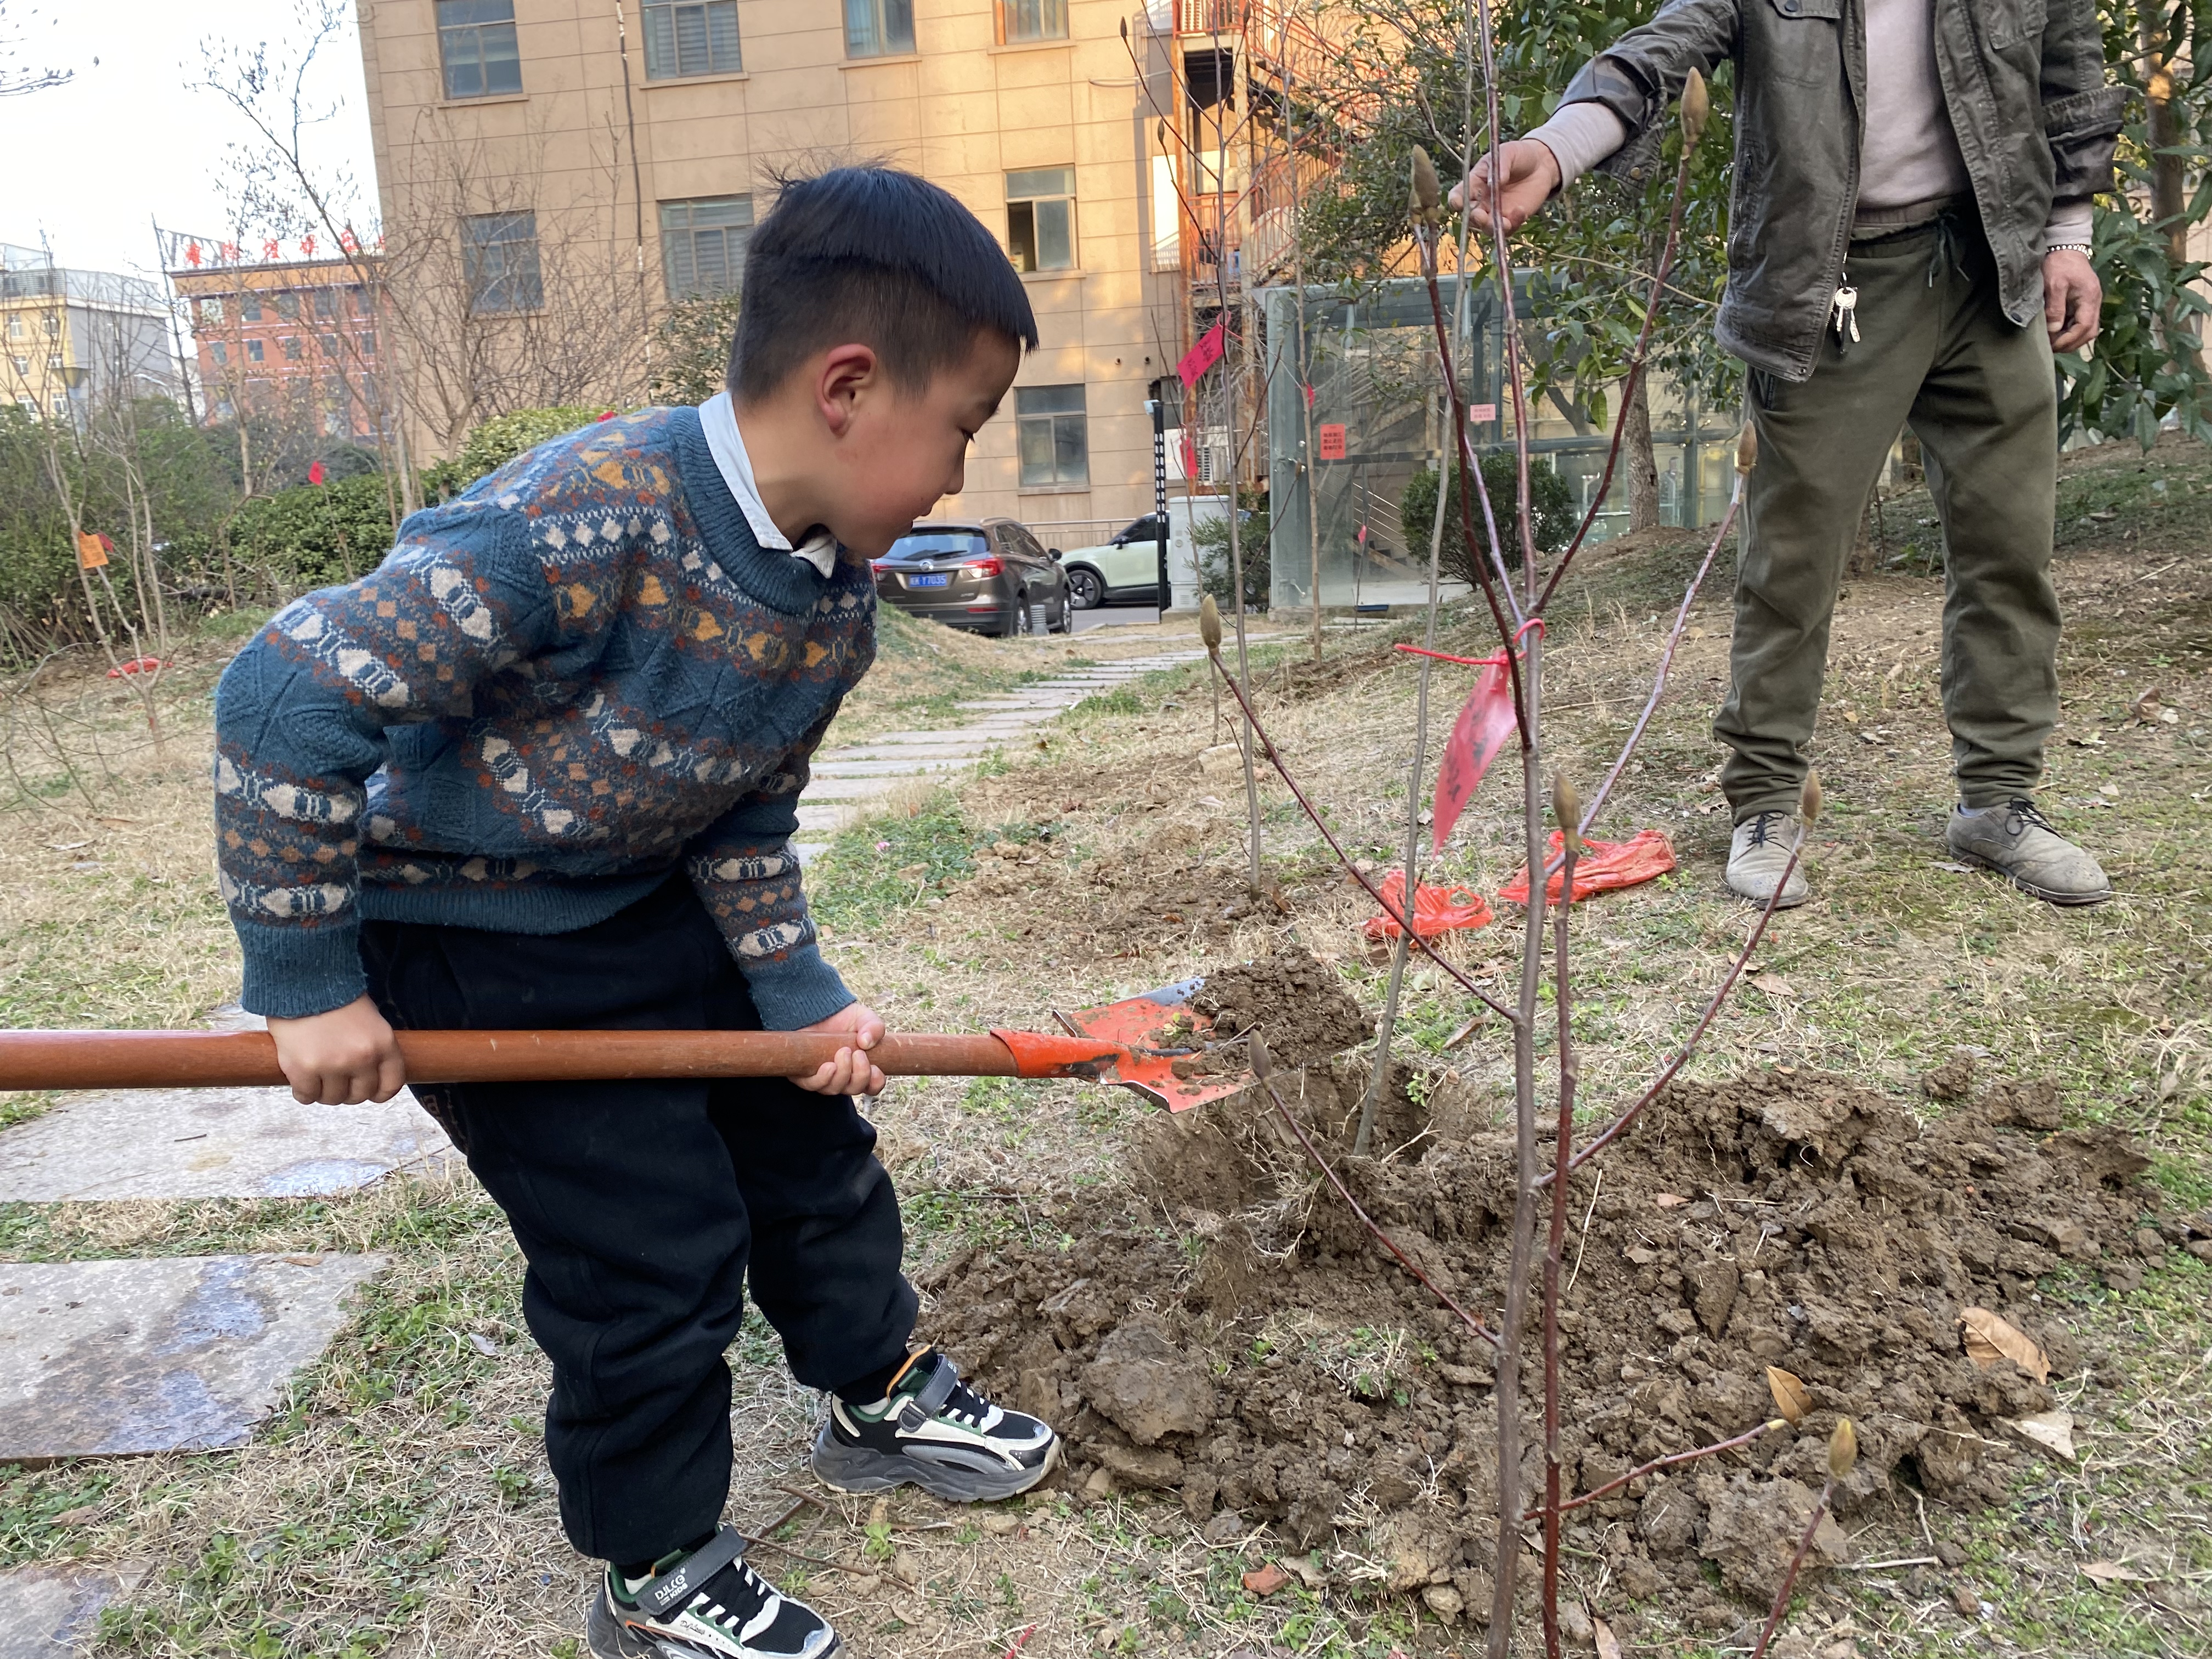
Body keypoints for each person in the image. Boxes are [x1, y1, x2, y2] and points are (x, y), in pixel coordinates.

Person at [213, 168, 1060, 1659]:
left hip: (636, 894)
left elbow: (743, 813)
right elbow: (285, 692)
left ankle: (869, 1392)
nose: (954, 481)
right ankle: (657, 1568)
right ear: (851, 387)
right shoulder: (579, 516)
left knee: (807, 1142)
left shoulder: (835, 603)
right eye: (964, 432)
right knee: (651, 1242)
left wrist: (797, 1002)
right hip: (463, 931)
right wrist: (307, 979)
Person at [1459, 0, 2124, 908]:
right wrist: (1564, 145)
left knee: (2012, 548)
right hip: (1833, 282)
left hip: (1992, 268)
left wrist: (2069, 237)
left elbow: (2068, 66)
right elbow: (1667, 45)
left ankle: (1999, 801)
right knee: (1792, 562)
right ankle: (1766, 803)